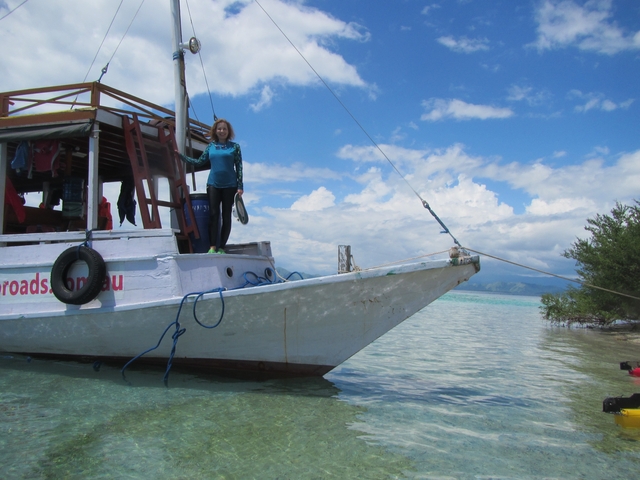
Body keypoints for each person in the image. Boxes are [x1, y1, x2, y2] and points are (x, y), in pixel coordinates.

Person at [176, 118, 243, 254]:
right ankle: (212, 246)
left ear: (228, 131)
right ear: (215, 131)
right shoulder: (211, 146)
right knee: (213, 214)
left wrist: (240, 186)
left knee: (226, 216)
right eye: (219, 129)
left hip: (230, 185)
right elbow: (199, 162)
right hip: (213, 184)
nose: (222, 131)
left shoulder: (235, 147)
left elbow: (239, 166)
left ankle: (222, 247)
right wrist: (182, 157)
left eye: (224, 129)